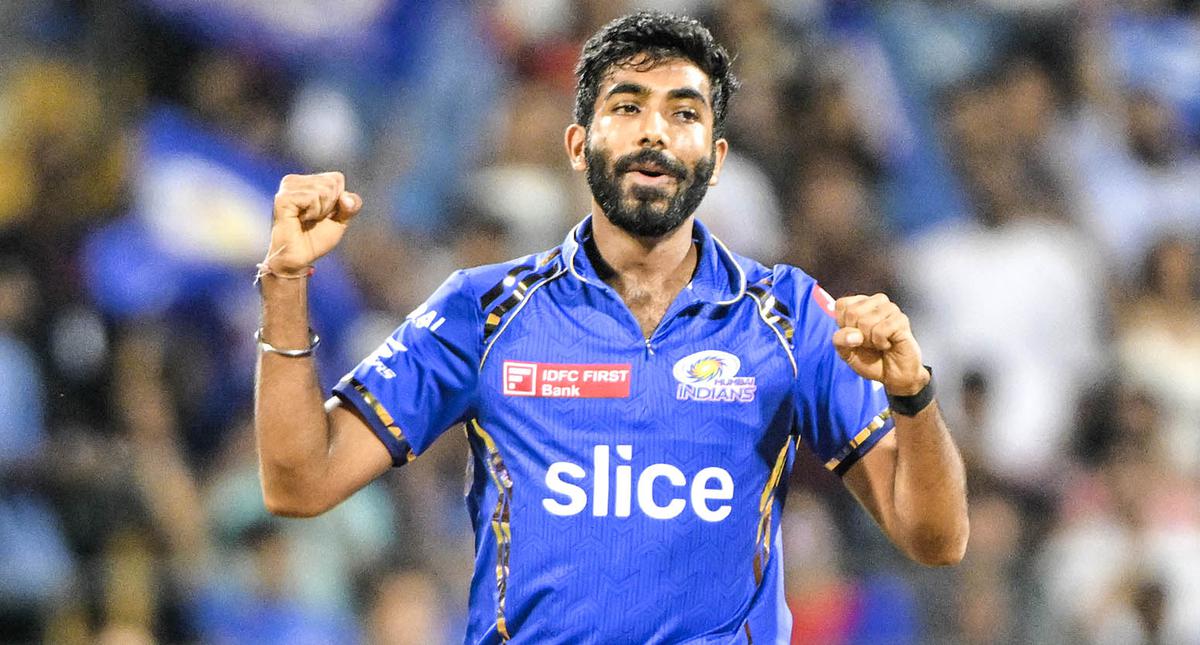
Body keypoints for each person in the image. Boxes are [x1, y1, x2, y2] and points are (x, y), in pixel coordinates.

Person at [254, 11, 968, 643]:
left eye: (684, 113)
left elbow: (935, 537)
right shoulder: (483, 310)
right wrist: (286, 283)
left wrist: (912, 395)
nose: (654, 130)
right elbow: (299, 481)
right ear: (576, 144)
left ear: (716, 160)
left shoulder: (786, 317)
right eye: (627, 106)